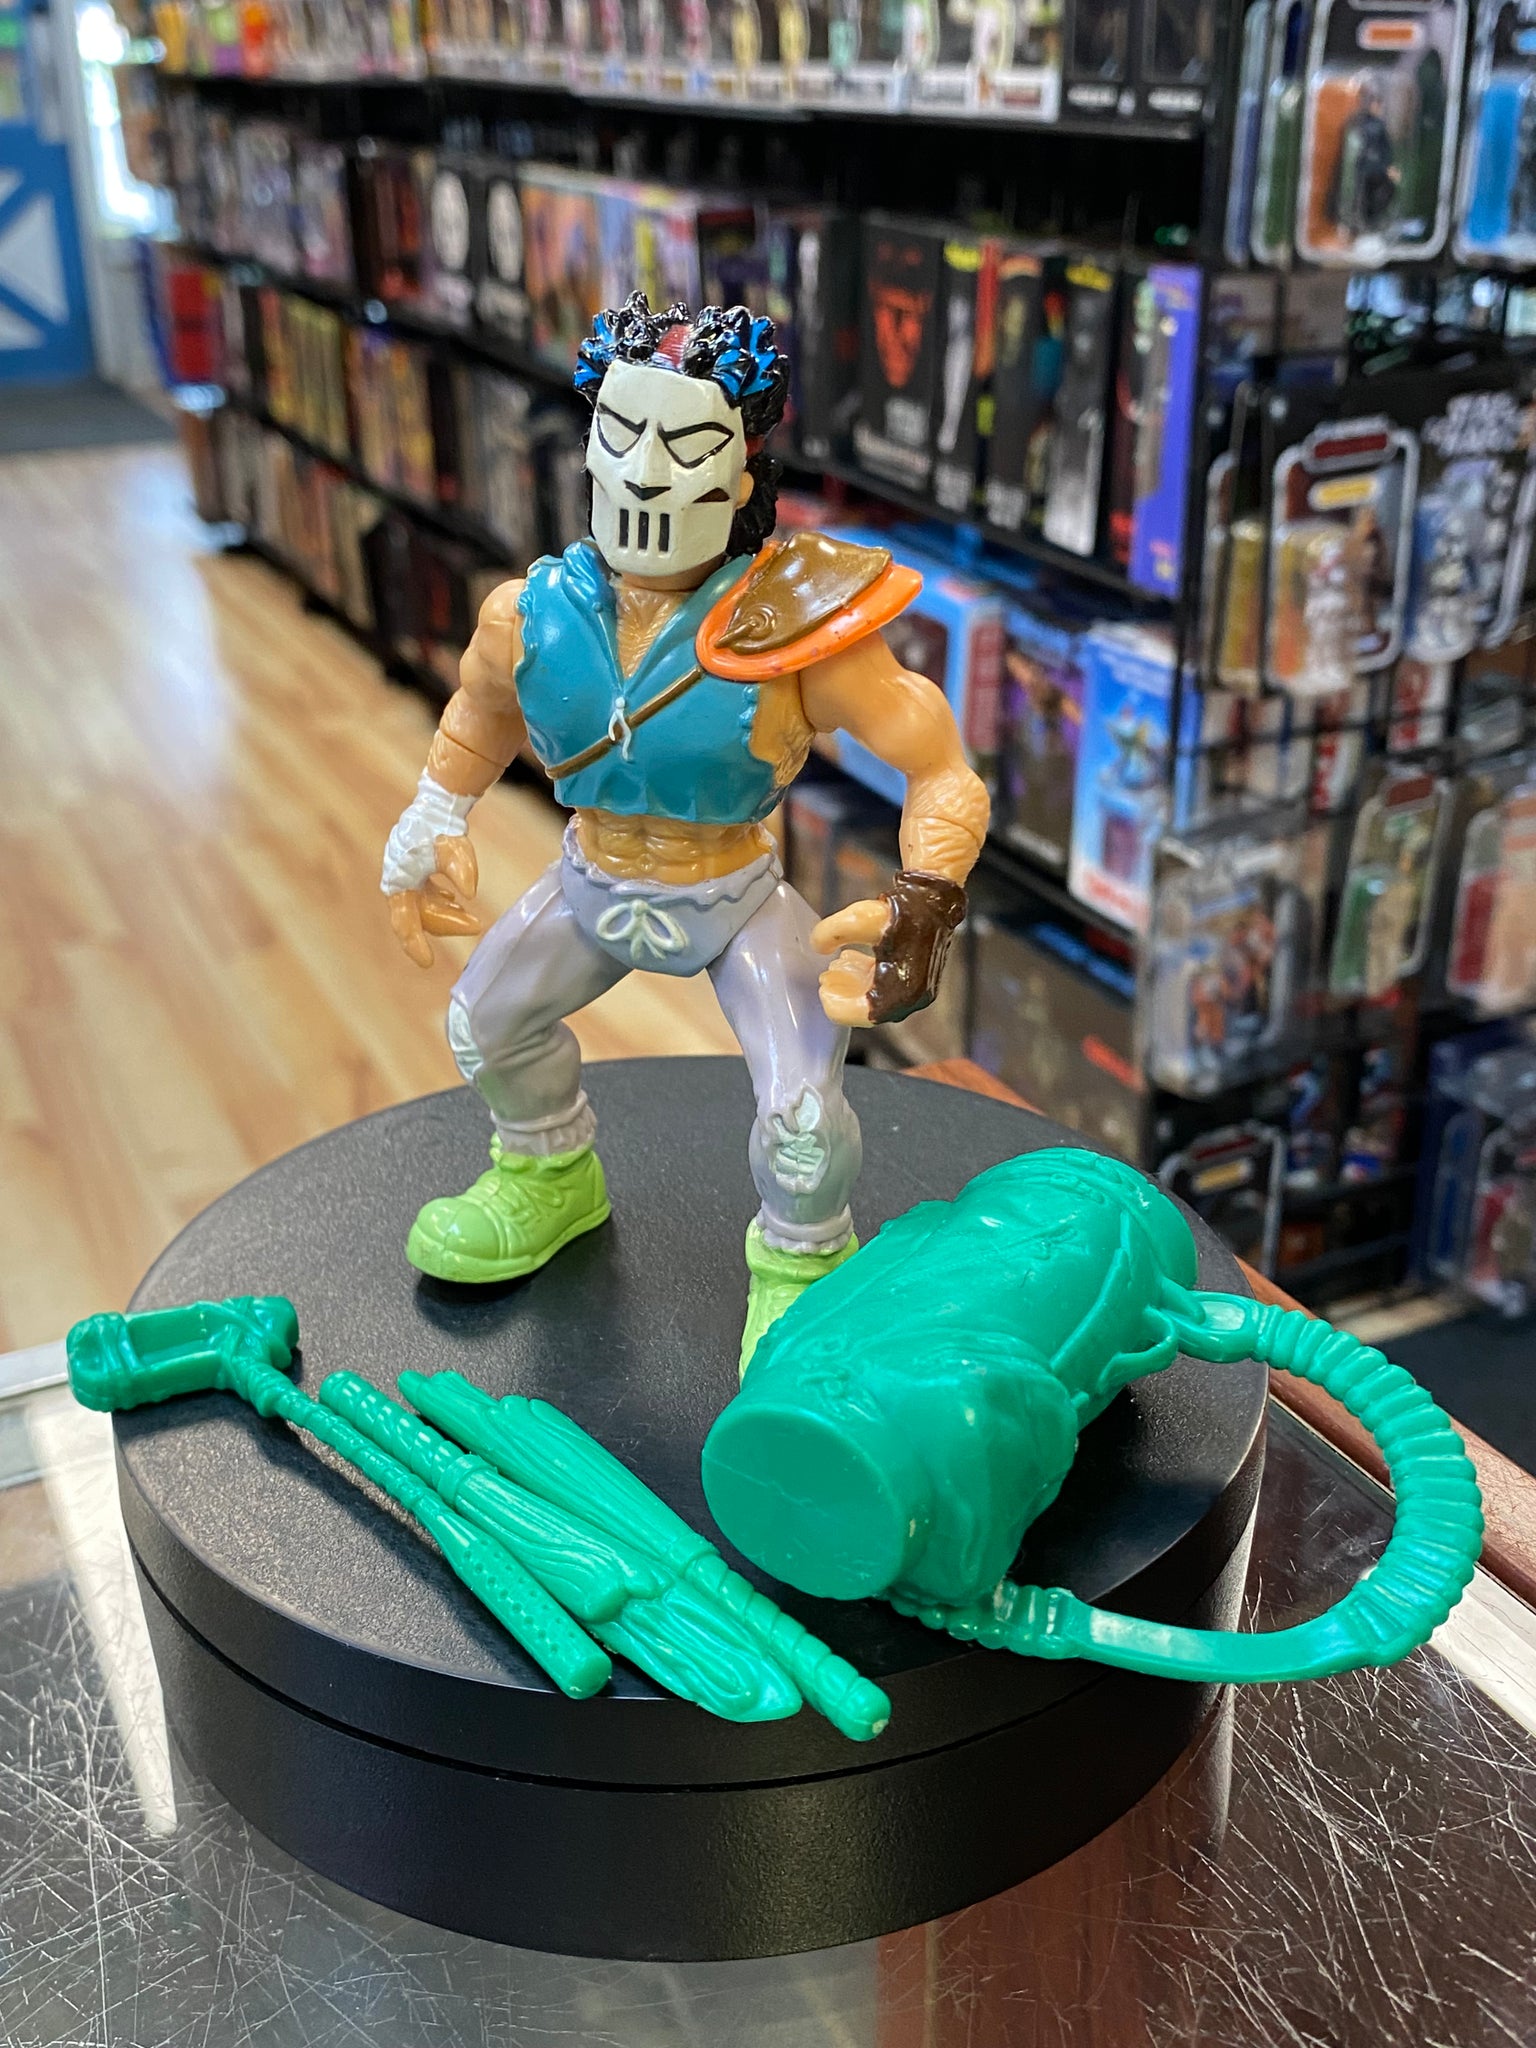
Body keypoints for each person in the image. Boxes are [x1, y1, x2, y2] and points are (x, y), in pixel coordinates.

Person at [380, 291, 988, 1366]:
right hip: (591, 879)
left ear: (743, 471)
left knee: (804, 1129)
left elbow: (938, 764)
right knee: (485, 1025)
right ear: (589, 442)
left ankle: (805, 1267)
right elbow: (480, 709)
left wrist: (926, 904)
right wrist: (436, 812)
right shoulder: (531, 613)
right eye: (624, 432)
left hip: (734, 893)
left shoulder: (793, 631)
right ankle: (547, 1172)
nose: (650, 471)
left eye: (688, 443)